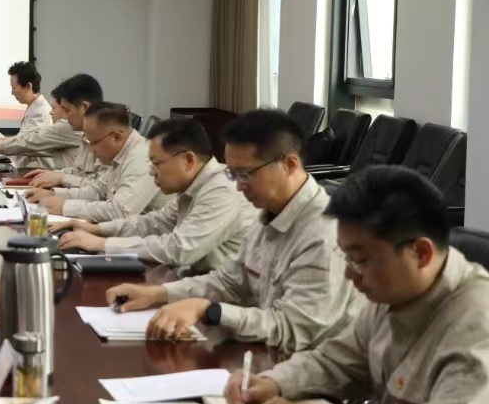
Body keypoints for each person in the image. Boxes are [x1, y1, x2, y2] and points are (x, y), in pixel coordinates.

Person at [224, 166, 489, 404]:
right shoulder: (395, 291)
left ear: (421, 253)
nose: (350, 274)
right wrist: (274, 382)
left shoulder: (477, 324)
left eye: (361, 260)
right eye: (346, 257)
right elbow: (337, 360)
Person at [107, 109, 358, 351]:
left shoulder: (325, 234)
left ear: (289, 165)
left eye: (245, 174)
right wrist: (156, 293)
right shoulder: (269, 213)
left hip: (311, 367)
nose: (238, 186)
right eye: (232, 174)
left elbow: (292, 330)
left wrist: (209, 311)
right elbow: (230, 282)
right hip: (266, 353)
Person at [54, 117, 256, 274]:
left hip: (224, 299)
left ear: (188, 160)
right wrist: (97, 229)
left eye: (157, 163)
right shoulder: (193, 188)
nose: (151, 172)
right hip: (194, 283)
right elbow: (153, 223)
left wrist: (102, 244)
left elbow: (179, 249)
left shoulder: (222, 190)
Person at [25, 102, 168, 221]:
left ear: (117, 137)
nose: (92, 151)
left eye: (94, 143)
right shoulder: (119, 153)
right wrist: (54, 195)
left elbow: (121, 212)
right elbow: (98, 191)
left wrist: (65, 207)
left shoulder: (142, 159)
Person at [0, 61, 56, 168]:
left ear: (28, 87)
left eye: (14, 88)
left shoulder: (40, 113)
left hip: (36, 171)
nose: (12, 93)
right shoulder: (34, 107)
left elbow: (23, 144)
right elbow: (21, 138)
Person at [19, 73, 106, 182]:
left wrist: (60, 180)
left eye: (67, 110)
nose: (66, 117)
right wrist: (53, 175)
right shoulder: (87, 137)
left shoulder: (107, 140)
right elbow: (79, 174)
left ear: (85, 107)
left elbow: (97, 188)